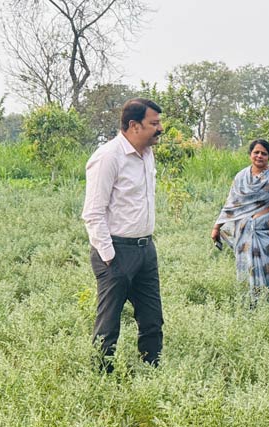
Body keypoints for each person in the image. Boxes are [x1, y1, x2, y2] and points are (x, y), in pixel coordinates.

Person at [81, 98, 165, 372]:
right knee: (109, 322)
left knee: (152, 319)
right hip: (116, 250)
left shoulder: (147, 154)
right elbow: (93, 212)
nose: (160, 128)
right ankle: (102, 380)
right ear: (134, 125)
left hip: (145, 249)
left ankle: (151, 373)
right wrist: (109, 258)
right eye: (154, 123)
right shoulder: (108, 157)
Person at [211, 139, 269, 299]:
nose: (260, 156)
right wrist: (217, 227)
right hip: (244, 232)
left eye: (264, 153)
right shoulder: (241, 177)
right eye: (256, 152)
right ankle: (248, 305)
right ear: (250, 155)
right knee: (246, 269)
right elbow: (231, 204)